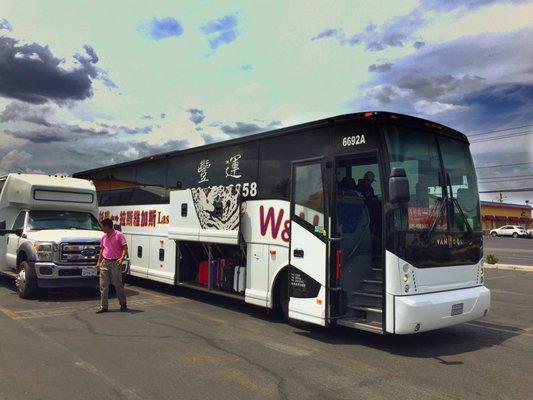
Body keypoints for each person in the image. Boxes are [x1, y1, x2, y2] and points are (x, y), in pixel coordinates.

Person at [96, 218, 128, 313]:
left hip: (115, 262)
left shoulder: (118, 235)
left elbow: (124, 247)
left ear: (107, 226)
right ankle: (104, 306)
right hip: (105, 262)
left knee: (117, 284)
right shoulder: (103, 237)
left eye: (102, 226)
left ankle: (123, 303)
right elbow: (102, 250)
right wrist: (98, 262)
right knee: (103, 285)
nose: (102, 228)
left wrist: (121, 259)